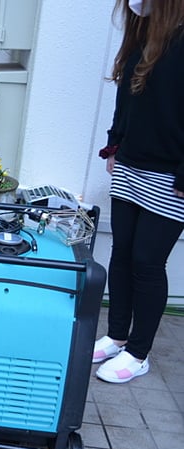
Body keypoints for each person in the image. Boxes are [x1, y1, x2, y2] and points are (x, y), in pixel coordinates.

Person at [93, 0, 184, 384]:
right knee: (123, 251)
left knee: (148, 263)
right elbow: (126, 98)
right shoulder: (141, 32)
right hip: (130, 164)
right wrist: (115, 144)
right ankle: (117, 335)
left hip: (170, 174)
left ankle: (139, 352)